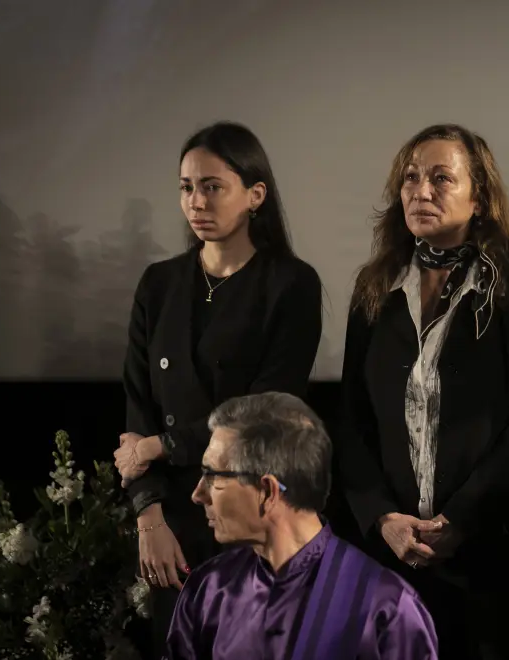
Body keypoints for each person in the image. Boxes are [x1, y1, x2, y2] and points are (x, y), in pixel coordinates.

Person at [337, 123, 509, 659]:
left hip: (493, 553)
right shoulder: (374, 290)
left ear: (479, 198)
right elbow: (350, 421)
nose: (421, 190)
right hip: (392, 552)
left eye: (442, 178)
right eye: (411, 178)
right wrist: (382, 518)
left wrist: (457, 521)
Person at [113, 121, 323, 659]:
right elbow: (137, 403)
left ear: (255, 195)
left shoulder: (291, 285)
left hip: (255, 513)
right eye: (186, 186)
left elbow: (266, 412)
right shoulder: (158, 284)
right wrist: (148, 517)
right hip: (172, 521)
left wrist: (162, 445)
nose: (196, 201)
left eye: (212, 186)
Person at [164, 392, 439, 659]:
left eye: (213, 476)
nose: (198, 494)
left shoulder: (386, 609)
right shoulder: (209, 589)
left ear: (268, 491)